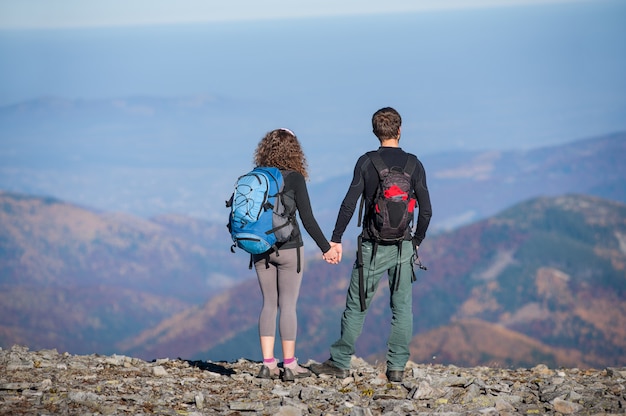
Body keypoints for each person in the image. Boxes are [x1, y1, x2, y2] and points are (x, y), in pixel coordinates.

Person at [311, 107, 432, 382]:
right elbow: (426, 211)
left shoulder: (366, 162)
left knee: (357, 306)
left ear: (375, 132)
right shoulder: (415, 164)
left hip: (371, 247)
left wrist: (336, 238)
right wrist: (416, 241)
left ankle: (340, 362)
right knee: (402, 308)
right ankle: (397, 367)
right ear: (400, 130)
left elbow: (349, 202)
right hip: (403, 245)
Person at [251, 128, 339, 382]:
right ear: (294, 152)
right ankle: (289, 365)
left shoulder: (257, 177)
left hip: (261, 248)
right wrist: (327, 248)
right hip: (290, 248)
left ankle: (268, 364)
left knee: (268, 303)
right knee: (288, 305)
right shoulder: (295, 178)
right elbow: (308, 219)